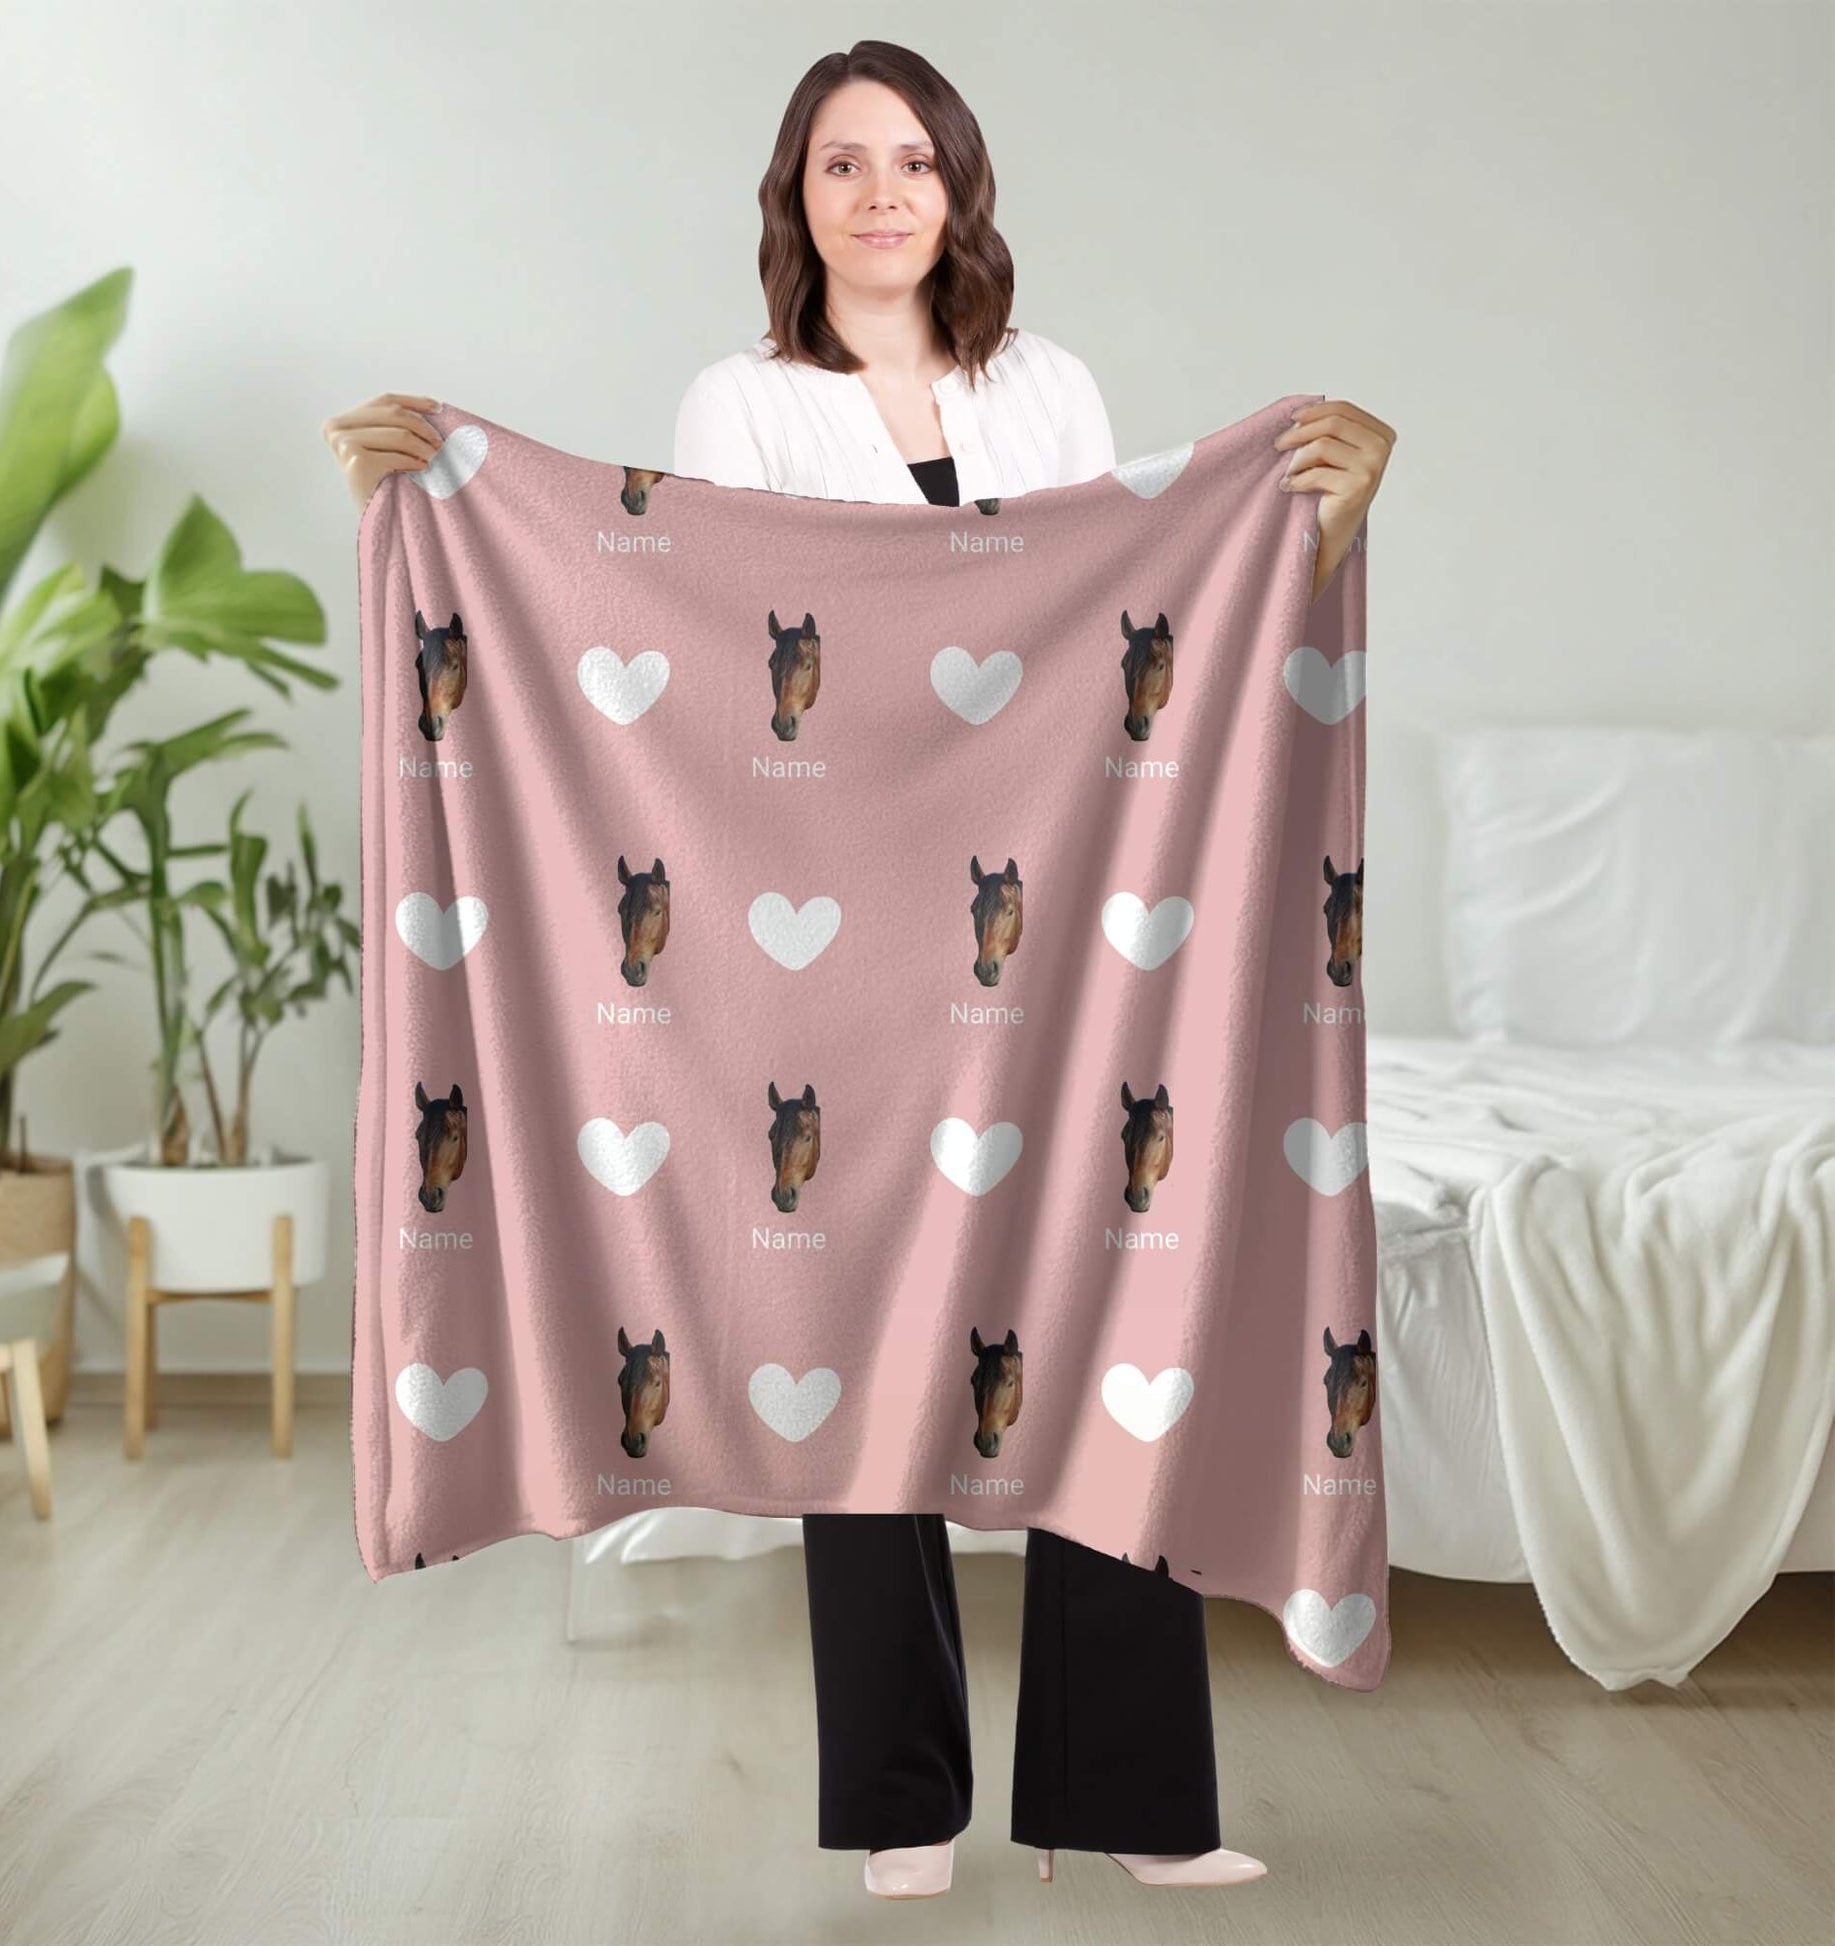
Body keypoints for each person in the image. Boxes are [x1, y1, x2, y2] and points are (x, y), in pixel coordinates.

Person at [323, 36, 1392, 1907]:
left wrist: (1317, 501)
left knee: (1099, 1303)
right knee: (850, 1316)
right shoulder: (739, 405)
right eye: (840, 164)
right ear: (793, 199)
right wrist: (435, 487)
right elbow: (682, 602)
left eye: (912, 159)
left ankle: (1128, 1795)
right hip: (812, 927)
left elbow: (1127, 610)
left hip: (1055, 921)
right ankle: (900, 1791)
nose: (880, 192)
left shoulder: (1047, 386)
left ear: (958, 185)